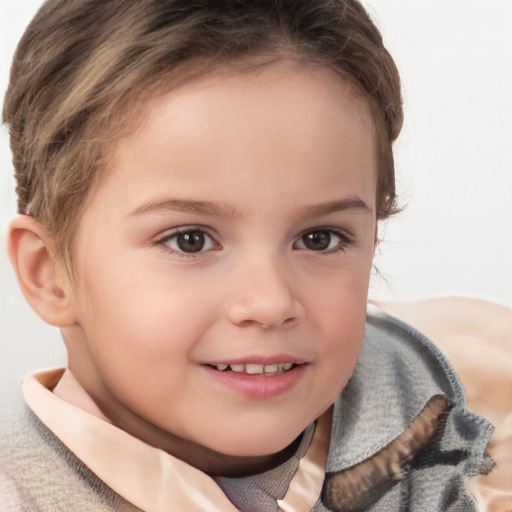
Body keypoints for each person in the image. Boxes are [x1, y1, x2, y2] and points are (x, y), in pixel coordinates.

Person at [0, 0, 505, 510]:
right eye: (190, 240)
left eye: (319, 238)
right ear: (48, 273)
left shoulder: (471, 395)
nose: (268, 302)